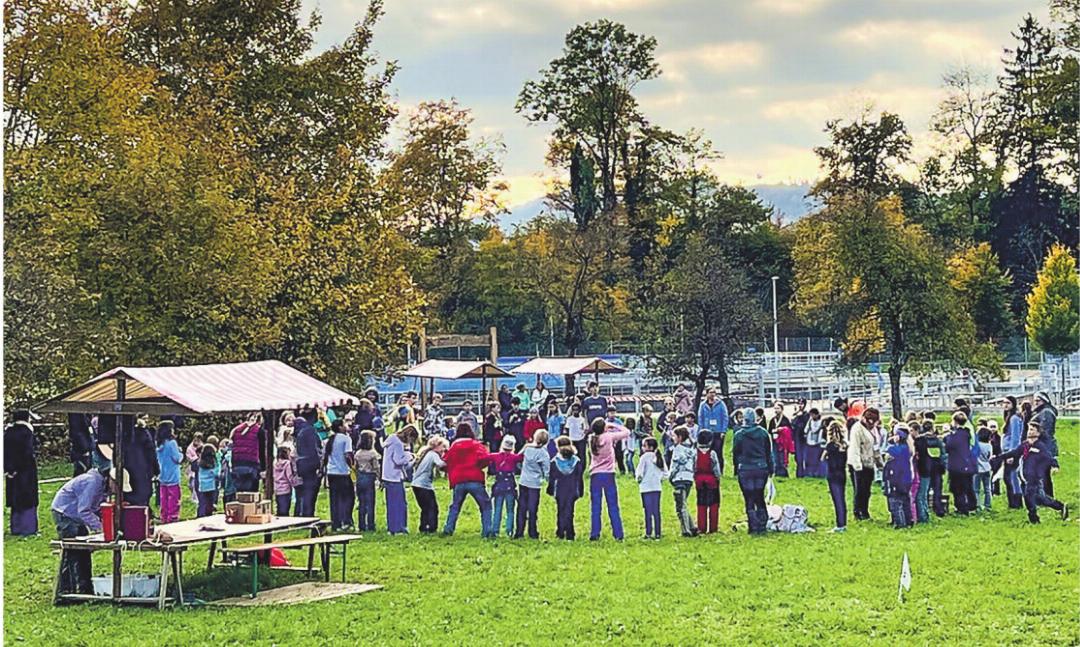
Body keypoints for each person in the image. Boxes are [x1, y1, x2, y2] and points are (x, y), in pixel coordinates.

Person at [51, 466, 111, 593]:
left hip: (76, 516)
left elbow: (97, 508)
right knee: (72, 551)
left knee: (84, 551)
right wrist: (101, 529)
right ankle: (66, 590)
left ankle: (85, 588)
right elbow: (84, 510)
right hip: (65, 513)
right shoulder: (92, 483)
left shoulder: (102, 486)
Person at [997, 422, 1068, 523]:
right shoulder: (1025, 445)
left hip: (1034, 476)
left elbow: (1048, 457)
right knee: (1041, 498)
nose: (1029, 431)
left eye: (1032, 430)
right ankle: (1060, 506)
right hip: (1024, 476)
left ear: (1038, 433)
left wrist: (1055, 465)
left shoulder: (1040, 446)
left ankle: (1034, 519)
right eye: (1029, 429)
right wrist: (999, 457)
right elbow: (1014, 452)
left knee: (1028, 496)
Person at [442, 424, 494, 537]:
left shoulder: (454, 446)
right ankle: (487, 531)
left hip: (458, 479)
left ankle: (448, 528)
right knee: (485, 505)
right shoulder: (476, 445)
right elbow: (485, 459)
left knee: (455, 506)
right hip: (474, 478)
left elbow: (446, 461)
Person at [587, 417, 631, 540]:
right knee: (612, 505)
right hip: (608, 473)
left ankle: (595, 533)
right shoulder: (608, 437)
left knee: (596, 506)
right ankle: (618, 533)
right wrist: (613, 425)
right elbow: (626, 432)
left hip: (595, 473)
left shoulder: (591, 439)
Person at [732, 408, 773, 535]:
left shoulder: (739, 434)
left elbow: (736, 453)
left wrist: (736, 468)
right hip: (761, 468)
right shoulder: (763, 433)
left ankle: (753, 526)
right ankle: (762, 524)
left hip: (745, 469)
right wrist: (771, 468)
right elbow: (768, 452)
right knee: (759, 495)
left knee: (748, 498)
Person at [5, 409, 39, 536]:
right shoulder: (27, 432)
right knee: (28, 499)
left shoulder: (8, 432)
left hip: (11, 471)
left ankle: (16, 527)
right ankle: (28, 528)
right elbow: (27, 452)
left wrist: (9, 469)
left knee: (15, 500)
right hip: (26, 471)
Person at [382, 424, 417, 535]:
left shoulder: (391, 439)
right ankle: (400, 527)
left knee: (391, 504)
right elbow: (398, 460)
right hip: (395, 476)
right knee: (400, 504)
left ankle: (392, 527)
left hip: (387, 475)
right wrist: (410, 457)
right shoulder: (398, 443)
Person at [547, 437, 584, 540]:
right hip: (572, 488)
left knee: (560, 510)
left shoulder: (555, 461)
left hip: (560, 489)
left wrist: (550, 489)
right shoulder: (576, 461)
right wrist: (580, 490)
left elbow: (552, 477)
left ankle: (560, 531)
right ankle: (570, 532)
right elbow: (579, 477)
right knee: (570, 510)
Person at [516, 430, 550, 539]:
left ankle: (519, 531)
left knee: (521, 507)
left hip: (523, 480)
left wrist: (521, 469)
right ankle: (532, 531)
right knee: (533, 508)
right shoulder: (543, 453)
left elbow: (518, 458)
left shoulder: (527, 448)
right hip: (535, 483)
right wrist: (547, 479)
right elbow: (547, 470)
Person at [322, 419, 355, 531]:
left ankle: (335, 523)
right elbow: (347, 455)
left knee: (334, 498)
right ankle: (345, 521)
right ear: (341, 427)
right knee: (347, 498)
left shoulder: (329, 440)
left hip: (331, 472)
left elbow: (325, 457)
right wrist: (352, 467)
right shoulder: (346, 439)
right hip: (342, 472)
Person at [846, 408, 878, 521]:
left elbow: (875, 446)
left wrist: (879, 463)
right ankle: (858, 512)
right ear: (864, 418)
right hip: (857, 464)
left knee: (867, 490)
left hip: (869, 463)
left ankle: (865, 511)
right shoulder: (857, 429)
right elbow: (855, 448)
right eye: (869, 421)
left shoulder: (873, 430)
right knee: (859, 490)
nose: (872, 424)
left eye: (873, 422)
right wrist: (857, 467)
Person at [412, 437, 448, 534]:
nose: (444, 449)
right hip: (424, 485)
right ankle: (432, 528)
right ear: (436, 446)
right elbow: (441, 464)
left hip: (416, 484)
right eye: (443, 447)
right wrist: (449, 460)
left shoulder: (426, 453)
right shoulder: (433, 454)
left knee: (425, 508)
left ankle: (423, 527)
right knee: (433, 508)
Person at [490, 435, 524, 538]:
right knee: (510, 510)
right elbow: (521, 456)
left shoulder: (495, 456)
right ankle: (509, 530)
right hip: (510, 485)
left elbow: (484, 457)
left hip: (499, 485)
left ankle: (495, 530)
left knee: (497, 509)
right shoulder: (514, 457)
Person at [944, 412, 978, 515]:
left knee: (957, 488)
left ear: (955, 422)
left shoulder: (955, 436)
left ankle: (961, 508)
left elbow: (948, 446)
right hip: (968, 464)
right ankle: (972, 506)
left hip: (957, 465)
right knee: (968, 487)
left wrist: (946, 435)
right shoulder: (967, 434)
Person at [914, 419, 947, 521]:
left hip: (925, 467)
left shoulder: (920, 441)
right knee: (937, 489)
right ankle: (939, 509)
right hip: (937, 467)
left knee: (924, 490)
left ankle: (926, 508)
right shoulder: (938, 441)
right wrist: (943, 466)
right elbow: (943, 455)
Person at [882, 424, 915, 528]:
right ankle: (909, 520)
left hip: (896, 478)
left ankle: (900, 522)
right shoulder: (908, 448)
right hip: (906, 478)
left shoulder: (898, 449)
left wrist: (891, 441)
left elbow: (887, 451)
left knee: (895, 501)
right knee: (905, 499)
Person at [668, 426, 698, 537]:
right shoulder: (691, 449)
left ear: (680, 437)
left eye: (674, 436)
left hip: (679, 478)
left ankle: (686, 529)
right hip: (689, 478)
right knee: (684, 503)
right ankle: (692, 526)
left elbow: (675, 465)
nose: (672, 438)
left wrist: (670, 476)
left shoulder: (678, 449)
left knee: (680, 506)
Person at [293, 416, 323, 517]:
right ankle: (308, 514)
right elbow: (315, 449)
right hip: (311, 464)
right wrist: (319, 465)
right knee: (310, 491)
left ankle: (301, 513)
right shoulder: (309, 431)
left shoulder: (299, 433)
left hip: (301, 464)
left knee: (303, 492)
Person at [635, 437, 665, 539]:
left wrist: (639, 480)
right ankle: (658, 533)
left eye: (644, 445)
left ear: (650, 447)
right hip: (657, 487)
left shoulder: (644, 457)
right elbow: (665, 472)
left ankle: (648, 532)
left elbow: (639, 472)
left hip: (646, 488)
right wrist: (659, 478)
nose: (642, 447)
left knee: (647, 510)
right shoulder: (659, 457)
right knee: (656, 511)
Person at [821, 420, 848, 532]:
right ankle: (843, 522)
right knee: (842, 498)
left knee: (837, 500)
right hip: (842, 473)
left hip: (833, 474)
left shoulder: (830, 446)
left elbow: (822, 458)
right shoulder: (845, 445)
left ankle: (840, 525)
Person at [694, 430, 722, 534]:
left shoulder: (695, 453)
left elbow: (694, 467)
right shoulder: (712, 453)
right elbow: (716, 469)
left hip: (699, 481)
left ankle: (702, 527)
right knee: (714, 504)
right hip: (712, 481)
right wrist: (718, 478)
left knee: (701, 504)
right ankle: (713, 527)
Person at [155, 421, 183, 524]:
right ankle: (172, 517)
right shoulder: (172, 443)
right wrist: (181, 453)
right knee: (174, 498)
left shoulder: (159, 444)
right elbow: (177, 458)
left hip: (162, 475)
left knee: (164, 499)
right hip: (173, 475)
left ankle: (164, 517)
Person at [230, 413, 265, 494]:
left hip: (237, 465)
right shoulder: (259, 431)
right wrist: (263, 469)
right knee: (251, 495)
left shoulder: (236, 430)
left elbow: (233, 449)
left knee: (240, 494)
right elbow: (262, 452)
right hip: (251, 466)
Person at [698, 387, 729, 475]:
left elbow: (725, 417)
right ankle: (708, 470)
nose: (712, 394)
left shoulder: (721, 404)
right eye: (710, 392)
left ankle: (720, 471)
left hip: (718, 432)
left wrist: (723, 431)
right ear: (706, 393)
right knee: (707, 452)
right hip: (707, 432)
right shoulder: (703, 405)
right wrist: (701, 431)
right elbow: (701, 418)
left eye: (714, 392)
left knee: (718, 452)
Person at [1031, 392, 1058, 497]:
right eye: (1035, 401)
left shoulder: (1046, 412)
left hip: (1045, 445)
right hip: (1043, 444)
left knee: (1044, 473)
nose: (1036, 403)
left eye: (1038, 400)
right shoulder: (1041, 411)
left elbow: (1045, 430)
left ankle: (1046, 497)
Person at [353, 431, 380, 531]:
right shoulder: (372, 453)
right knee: (370, 503)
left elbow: (355, 467)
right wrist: (379, 478)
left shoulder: (358, 453)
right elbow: (376, 467)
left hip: (360, 477)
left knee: (362, 502)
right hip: (369, 477)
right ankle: (371, 524)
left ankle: (361, 525)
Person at [1002, 396, 1024, 509]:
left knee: (1011, 477)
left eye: (1008, 403)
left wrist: (1011, 454)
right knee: (1010, 477)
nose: (1005, 405)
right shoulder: (1009, 417)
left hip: (1011, 451)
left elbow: (1016, 437)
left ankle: (1016, 502)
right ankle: (1014, 502)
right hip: (1007, 450)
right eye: (1004, 403)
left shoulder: (1014, 418)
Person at [767, 401, 792, 478]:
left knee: (782, 458)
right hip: (775, 442)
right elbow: (769, 430)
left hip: (783, 443)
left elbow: (789, 430)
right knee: (775, 457)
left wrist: (782, 430)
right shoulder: (772, 420)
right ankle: (777, 473)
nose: (776, 410)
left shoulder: (785, 420)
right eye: (775, 408)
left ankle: (784, 473)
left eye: (778, 408)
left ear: (782, 409)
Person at [273, 446, 300, 517]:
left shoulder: (275, 463)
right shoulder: (287, 464)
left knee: (279, 507)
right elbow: (289, 476)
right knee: (285, 509)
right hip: (286, 489)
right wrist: (295, 483)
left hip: (277, 489)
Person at [196, 443, 220, 517]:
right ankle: (208, 515)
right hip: (211, 485)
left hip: (202, 485)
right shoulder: (213, 463)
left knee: (202, 502)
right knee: (210, 502)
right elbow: (216, 473)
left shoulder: (200, 463)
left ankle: (200, 514)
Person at [790, 399, 810, 478]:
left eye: (801, 404)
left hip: (804, 438)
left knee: (805, 456)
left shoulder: (807, 415)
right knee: (798, 457)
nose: (800, 405)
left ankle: (806, 473)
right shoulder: (795, 415)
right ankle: (799, 473)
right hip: (797, 438)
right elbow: (793, 425)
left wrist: (801, 416)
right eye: (799, 403)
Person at [565, 403, 588, 469]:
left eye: (577, 410)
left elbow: (585, 429)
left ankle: (582, 468)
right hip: (572, 439)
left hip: (580, 439)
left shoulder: (582, 419)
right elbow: (567, 429)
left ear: (580, 410)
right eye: (574, 410)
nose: (575, 411)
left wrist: (584, 436)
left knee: (581, 455)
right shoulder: (569, 419)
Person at [975, 428, 993, 512]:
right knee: (987, 488)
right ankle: (988, 505)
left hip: (977, 469)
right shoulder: (989, 446)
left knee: (976, 489)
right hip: (987, 467)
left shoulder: (977, 445)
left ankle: (977, 505)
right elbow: (990, 456)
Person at [185, 432, 203, 504]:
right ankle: (193, 496)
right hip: (192, 466)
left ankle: (197, 497)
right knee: (191, 483)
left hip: (200, 466)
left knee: (197, 481)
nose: (197, 441)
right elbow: (189, 457)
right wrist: (196, 458)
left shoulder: (202, 446)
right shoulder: (189, 448)